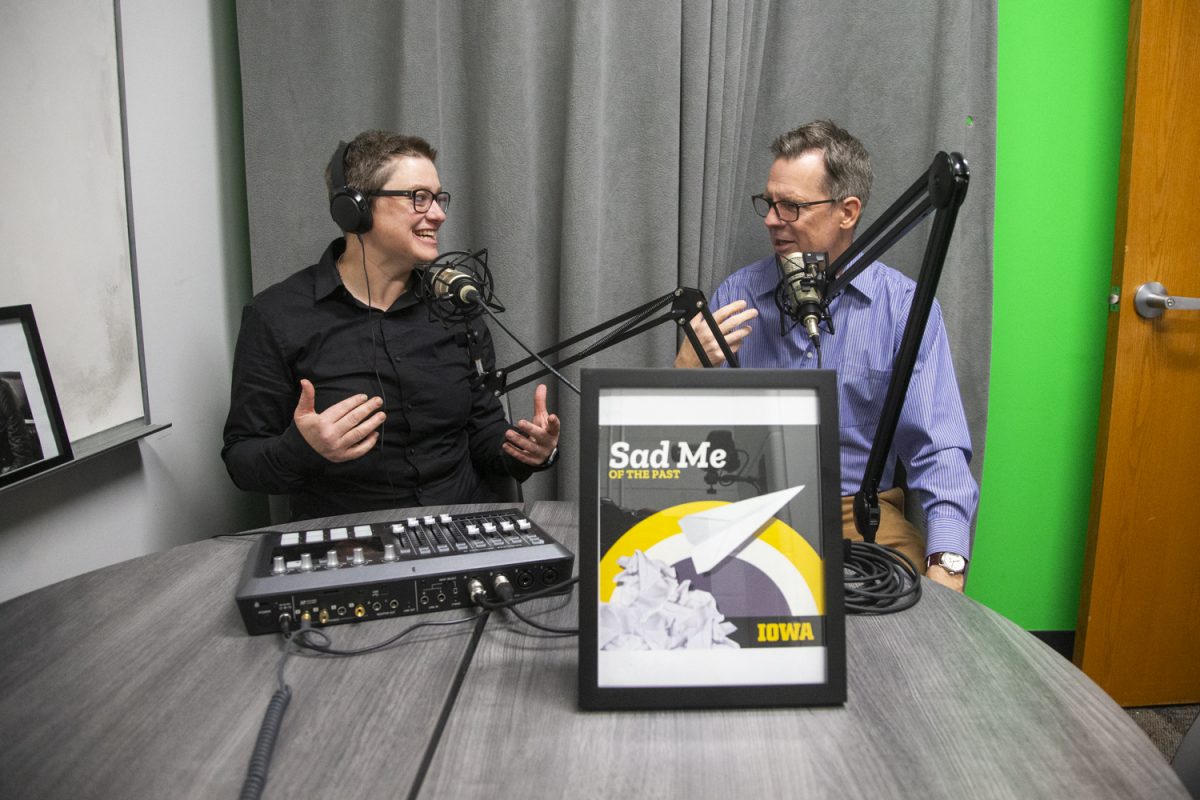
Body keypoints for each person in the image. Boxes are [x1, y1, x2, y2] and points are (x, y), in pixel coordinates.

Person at [675, 120, 977, 592]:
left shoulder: (904, 309)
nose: (772, 220)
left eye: (790, 206)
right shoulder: (737, 294)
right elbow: (680, 450)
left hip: (859, 513)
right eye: (769, 203)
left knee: (913, 603)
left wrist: (949, 561)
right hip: (748, 508)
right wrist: (683, 373)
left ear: (847, 212)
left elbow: (938, 449)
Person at [222, 130, 560, 521]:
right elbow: (241, 459)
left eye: (438, 198)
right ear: (357, 208)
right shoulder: (277, 315)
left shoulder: (456, 306)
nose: (438, 213)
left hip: (463, 528)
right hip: (353, 545)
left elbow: (483, 431)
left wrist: (530, 451)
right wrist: (301, 448)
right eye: (418, 197)